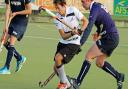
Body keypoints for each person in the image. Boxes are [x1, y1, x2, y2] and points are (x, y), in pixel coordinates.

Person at [70, 0, 125, 89]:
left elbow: (88, 27)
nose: (82, 3)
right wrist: (98, 32)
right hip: (113, 38)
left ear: (88, 1)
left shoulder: (94, 8)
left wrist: (79, 44)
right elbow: (104, 20)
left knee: (89, 56)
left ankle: (77, 82)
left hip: (109, 38)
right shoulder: (97, 6)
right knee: (99, 63)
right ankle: (119, 76)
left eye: (83, 1)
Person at [52, 0, 88, 89]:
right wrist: (72, 33)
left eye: (58, 8)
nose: (57, 10)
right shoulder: (57, 18)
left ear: (63, 5)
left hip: (74, 42)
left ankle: (63, 83)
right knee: (55, 68)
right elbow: (64, 36)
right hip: (64, 42)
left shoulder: (73, 10)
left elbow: (85, 21)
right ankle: (69, 85)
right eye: (56, 8)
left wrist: (80, 30)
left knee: (58, 58)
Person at [0, 0, 32, 74]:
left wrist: (17, 13)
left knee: (11, 43)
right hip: (12, 20)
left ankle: (7, 68)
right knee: (3, 41)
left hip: (21, 22)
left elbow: (29, 11)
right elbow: (8, 9)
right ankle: (19, 58)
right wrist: (5, 25)